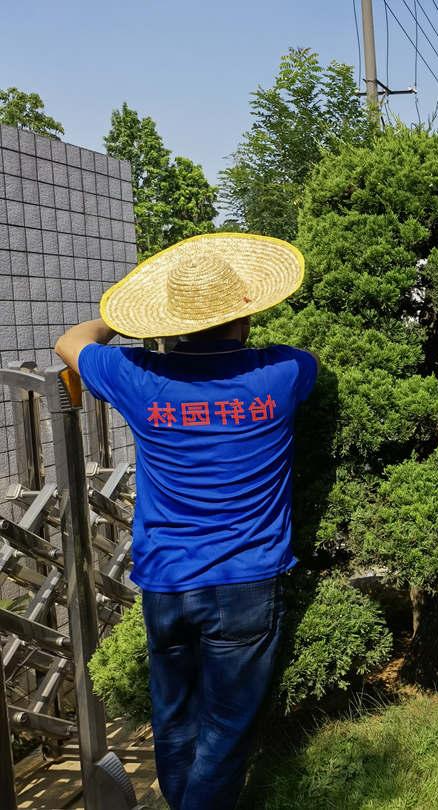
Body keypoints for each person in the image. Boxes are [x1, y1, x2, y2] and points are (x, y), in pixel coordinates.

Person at [54, 234, 317, 810]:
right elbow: (301, 365)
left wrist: (122, 319)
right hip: (248, 583)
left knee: (173, 721)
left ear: (169, 323)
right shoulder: (287, 371)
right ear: (246, 313)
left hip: (167, 581)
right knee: (225, 734)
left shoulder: (137, 375)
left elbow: (71, 341)